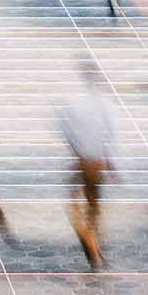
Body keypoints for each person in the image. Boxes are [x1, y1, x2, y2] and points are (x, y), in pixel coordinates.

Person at [57, 64, 117, 267]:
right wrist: (113, 163)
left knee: (74, 204)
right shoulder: (104, 104)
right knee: (94, 205)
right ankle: (94, 240)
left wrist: (73, 147)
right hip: (96, 160)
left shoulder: (74, 103)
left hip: (80, 159)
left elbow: (63, 127)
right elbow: (111, 134)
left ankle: (88, 238)